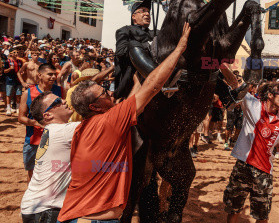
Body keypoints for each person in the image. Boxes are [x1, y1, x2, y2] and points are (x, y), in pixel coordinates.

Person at [56, 23, 190, 223]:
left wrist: (137, 77)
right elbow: (153, 86)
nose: (109, 92)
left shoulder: (82, 129)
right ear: (94, 107)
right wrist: (179, 49)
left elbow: (138, 91)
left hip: (74, 216)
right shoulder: (110, 121)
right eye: (103, 93)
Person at [223, 81, 279, 223]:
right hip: (243, 166)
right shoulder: (253, 105)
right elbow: (235, 84)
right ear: (270, 95)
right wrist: (221, 62)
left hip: (264, 173)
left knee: (262, 215)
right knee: (234, 209)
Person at [20, 92, 79, 223]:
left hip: (35, 208)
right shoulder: (63, 131)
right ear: (47, 115)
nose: (63, 101)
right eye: (57, 102)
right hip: (45, 211)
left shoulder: (52, 130)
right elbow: (104, 123)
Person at [18, 63, 63, 182]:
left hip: (55, 140)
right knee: (32, 174)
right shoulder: (28, 93)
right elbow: (21, 118)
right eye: (50, 74)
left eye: (55, 74)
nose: (53, 77)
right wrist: (36, 124)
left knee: (53, 175)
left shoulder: (60, 91)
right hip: (34, 141)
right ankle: (31, 200)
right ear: (40, 75)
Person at [5, 47, 23, 115]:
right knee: (9, 94)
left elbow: (21, 70)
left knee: (18, 94)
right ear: (11, 54)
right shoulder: (8, 61)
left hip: (18, 80)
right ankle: (8, 108)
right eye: (14, 52)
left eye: (17, 52)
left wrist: (22, 73)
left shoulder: (20, 61)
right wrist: (9, 68)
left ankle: (18, 108)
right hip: (10, 80)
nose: (16, 54)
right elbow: (4, 71)